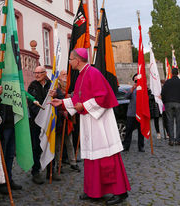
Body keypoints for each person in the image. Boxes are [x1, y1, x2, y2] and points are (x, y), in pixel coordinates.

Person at [50, 48, 130, 205]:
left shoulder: (93, 73)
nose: (70, 62)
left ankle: (120, 192)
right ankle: (94, 191)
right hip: (90, 121)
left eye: (71, 59)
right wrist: (62, 103)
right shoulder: (82, 75)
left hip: (101, 123)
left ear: (78, 60)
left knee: (107, 157)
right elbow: (78, 99)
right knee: (92, 157)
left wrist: (83, 107)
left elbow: (102, 98)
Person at [27, 66, 51, 184]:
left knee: (49, 145)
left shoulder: (51, 85)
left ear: (45, 73)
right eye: (35, 73)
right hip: (36, 123)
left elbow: (58, 98)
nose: (36, 75)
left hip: (49, 122)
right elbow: (32, 104)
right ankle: (35, 172)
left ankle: (51, 171)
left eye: (39, 73)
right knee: (36, 147)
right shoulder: (32, 86)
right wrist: (42, 116)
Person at [55, 70, 80, 173]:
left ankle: (73, 162)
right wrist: (61, 111)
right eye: (63, 74)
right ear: (59, 77)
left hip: (68, 117)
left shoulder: (69, 86)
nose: (65, 76)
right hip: (59, 119)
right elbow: (56, 101)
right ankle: (58, 164)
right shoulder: (57, 87)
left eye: (66, 74)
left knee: (69, 142)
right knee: (58, 144)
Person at [161, 68, 180, 146]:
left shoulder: (167, 82)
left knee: (170, 122)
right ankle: (178, 140)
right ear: (178, 73)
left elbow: (163, 93)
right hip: (178, 103)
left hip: (168, 103)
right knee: (179, 122)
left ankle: (171, 140)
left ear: (172, 73)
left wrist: (165, 102)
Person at [122, 74, 145, 152]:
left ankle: (141, 146)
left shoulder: (143, 88)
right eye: (135, 80)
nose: (137, 81)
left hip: (141, 114)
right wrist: (132, 89)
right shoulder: (131, 89)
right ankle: (126, 146)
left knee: (141, 131)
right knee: (128, 131)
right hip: (131, 113)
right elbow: (126, 96)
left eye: (138, 80)